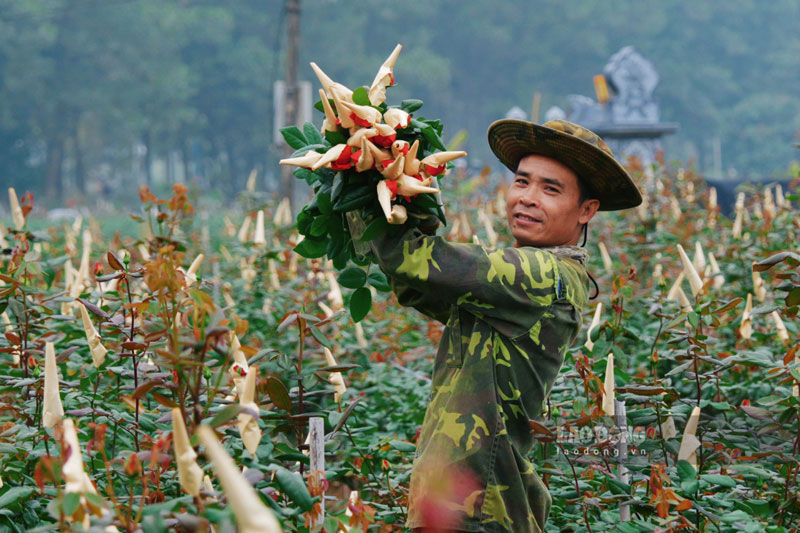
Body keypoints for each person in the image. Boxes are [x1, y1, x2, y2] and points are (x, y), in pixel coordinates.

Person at [359, 119, 642, 532]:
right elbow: (414, 284)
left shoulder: (545, 275)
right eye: (522, 182)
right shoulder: (513, 287)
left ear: (586, 210)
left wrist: (363, 175)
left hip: (479, 511)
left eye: (551, 189)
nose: (527, 198)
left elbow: (413, 260)